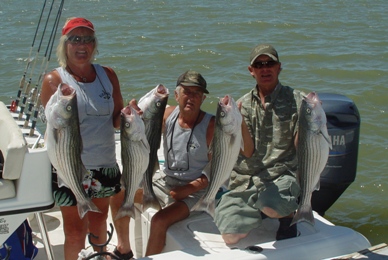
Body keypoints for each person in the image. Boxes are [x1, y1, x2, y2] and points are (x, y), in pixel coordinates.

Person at [40, 17, 133, 259]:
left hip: (104, 163)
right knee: (73, 230)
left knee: (99, 221)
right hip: (68, 166)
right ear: (64, 44)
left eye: (88, 39)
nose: (82, 45)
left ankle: (100, 257)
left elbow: (115, 118)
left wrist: (130, 116)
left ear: (94, 44)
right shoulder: (54, 80)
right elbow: (52, 126)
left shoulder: (107, 75)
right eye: (75, 39)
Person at [214, 44, 304, 244]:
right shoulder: (243, 105)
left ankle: (286, 215)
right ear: (251, 71)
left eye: (270, 63)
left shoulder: (298, 101)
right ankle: (258, 208)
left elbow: (302, 148)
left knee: (271, 205)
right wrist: (239, 123)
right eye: (259, 64)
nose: (265, 68)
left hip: (280, 175)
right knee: (230, 236)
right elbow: (247, 151)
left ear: (279, 67)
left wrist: (309, 123)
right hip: (247, 178)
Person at [142, 70, 215, 256]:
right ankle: (123, 249)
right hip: (166, 182)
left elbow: (217, 169)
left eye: (197, 93)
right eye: (187, 92)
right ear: (176, 95)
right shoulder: (167, 115)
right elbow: (141, 131)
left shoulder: (211, 126)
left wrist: (189, 188)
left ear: (203, 98)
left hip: (196, 192)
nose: (191, 98)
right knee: (120, 193)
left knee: (159, 221)